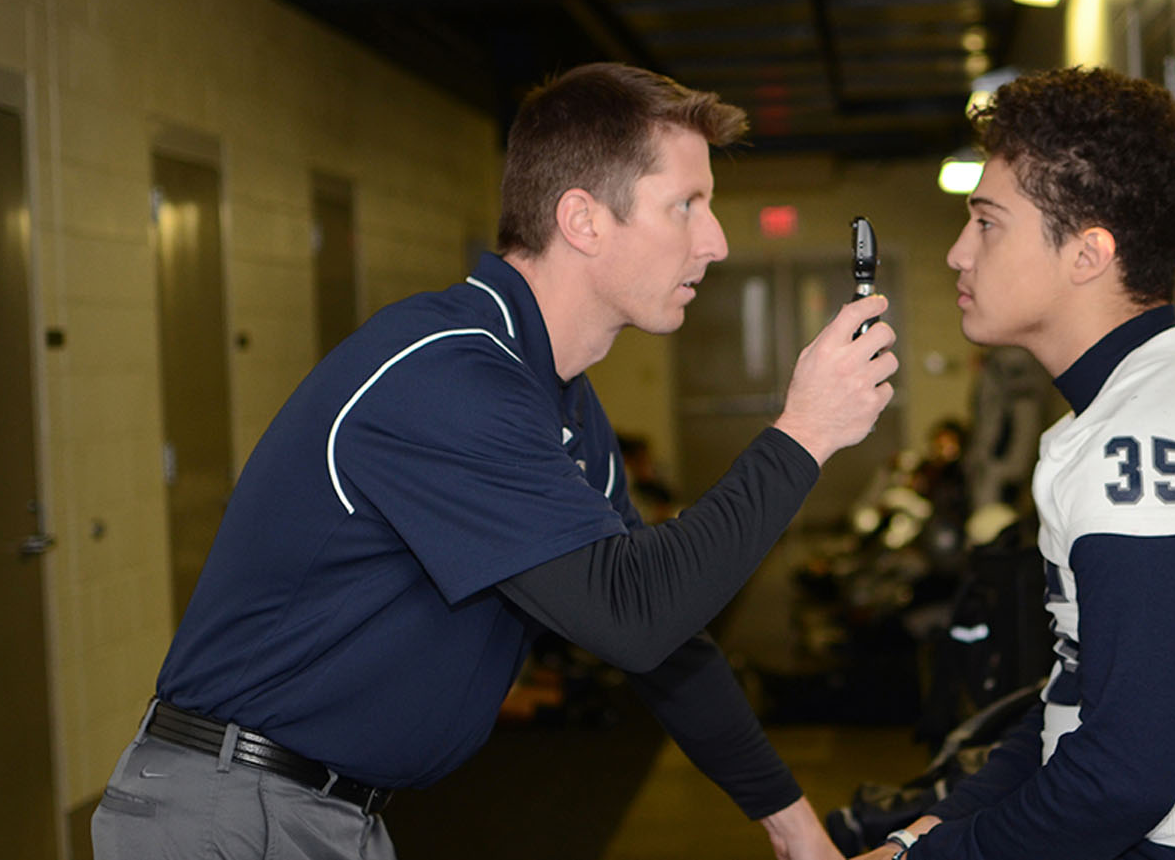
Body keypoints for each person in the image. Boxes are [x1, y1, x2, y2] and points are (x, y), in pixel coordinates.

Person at [92, 62, 898, 860]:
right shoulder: (448, 375)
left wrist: (794, 827)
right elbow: (633, 609)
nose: (716, 241)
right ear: (582, 219)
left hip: (326, 810)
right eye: (687, 205)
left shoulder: (557, 400)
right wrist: (805, 432)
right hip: (235, 810)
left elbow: (663, 637)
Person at [858, 67, 1175, 860]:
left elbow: (1123, 778)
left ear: (1088, 254)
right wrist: (924, 831)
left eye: (987, 224)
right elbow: (1076, 704)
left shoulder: (1155, 438)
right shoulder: (1139, 408)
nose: (957, 252)